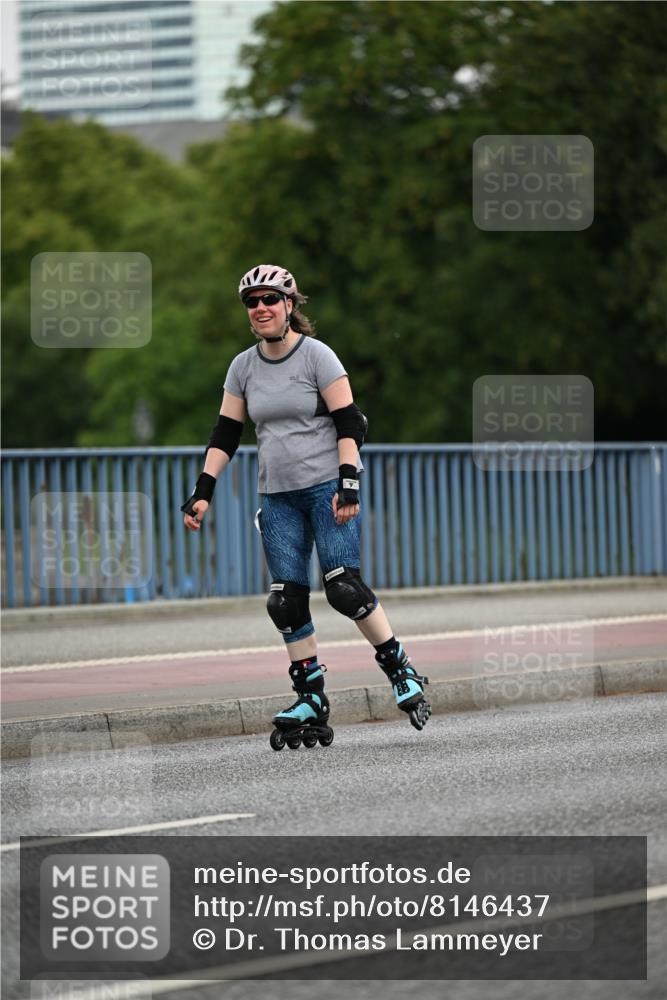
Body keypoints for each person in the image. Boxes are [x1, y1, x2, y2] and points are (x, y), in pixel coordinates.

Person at [182, 265, 431, 749]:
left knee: (343, 588)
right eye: (252, 301)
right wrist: (203, 491)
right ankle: (311, 696)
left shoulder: (317, 357)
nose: (260, 308)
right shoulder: (243, 367)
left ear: (291, 306)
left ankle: (401, 668)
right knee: (285, 600)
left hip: (326, 488)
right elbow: (226, 433)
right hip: (276, 495)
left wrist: (349, 483)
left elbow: (350, 423)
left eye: (270, 299)